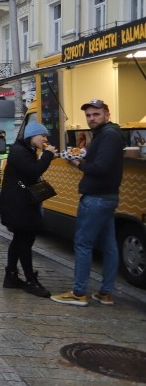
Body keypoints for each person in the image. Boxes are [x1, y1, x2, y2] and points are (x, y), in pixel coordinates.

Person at [51, 99, 125, 307]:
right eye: (89, 115)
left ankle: (78, 292)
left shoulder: (109, 135)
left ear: (107, 114)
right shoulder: (107, 134)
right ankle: (105, 293)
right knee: (109, 246)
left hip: (97, 198)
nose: (92, 119)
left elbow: (101, 168)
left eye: (96, 114)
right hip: (106, 197)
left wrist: (78, 163)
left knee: (83, 244)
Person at [0, 121, 56, 298]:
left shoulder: (25, 150)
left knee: (19, 239)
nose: (45, 139)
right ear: (32, 136)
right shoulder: (19, 151)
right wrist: (47, 155)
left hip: (20, 203)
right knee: (25, 241)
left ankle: (11, 276)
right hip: (19, 205)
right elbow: (33, 171)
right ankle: (31, 280)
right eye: (43, 136)